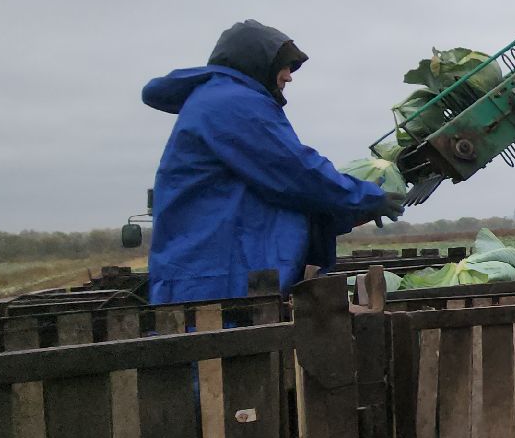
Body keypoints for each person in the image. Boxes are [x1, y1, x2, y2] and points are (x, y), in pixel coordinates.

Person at [143, 20, 402, 304]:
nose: (289, 77)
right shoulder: (232, 103)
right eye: (284, 67)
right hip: (215, 282)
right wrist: (366, 197)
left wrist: (349, 212)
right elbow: (295, 172)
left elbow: (276, 199)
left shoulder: (218, 99)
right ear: (256, 63)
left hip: (208, 277)